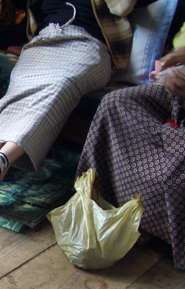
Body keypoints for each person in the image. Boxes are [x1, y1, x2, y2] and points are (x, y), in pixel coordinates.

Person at [0, 0, 156, 212]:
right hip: (45, 40)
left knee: (60, 85)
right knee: (19, 87)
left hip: (90, 45)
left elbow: (123, 6)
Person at [76, 28, 185, 271]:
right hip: (177, 93)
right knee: (115, 103)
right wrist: (176, 59)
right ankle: (100, 208)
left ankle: (158, 228)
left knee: (174, 164)